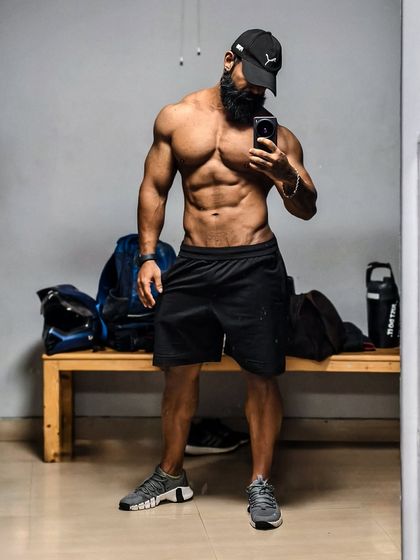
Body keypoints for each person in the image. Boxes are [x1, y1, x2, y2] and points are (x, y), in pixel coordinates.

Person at [119, 29, 317, 530]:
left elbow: (307, 207)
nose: (258, 91)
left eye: (266, 85)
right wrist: (147, 256)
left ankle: (260, 483)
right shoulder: (176, 118)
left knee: (262, 375)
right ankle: (170, 474)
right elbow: (154, 188)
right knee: (178, 371)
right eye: (252, 78)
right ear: (230, 61)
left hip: (254, 263)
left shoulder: (277, 137)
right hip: (193, 263)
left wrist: (285, 175)